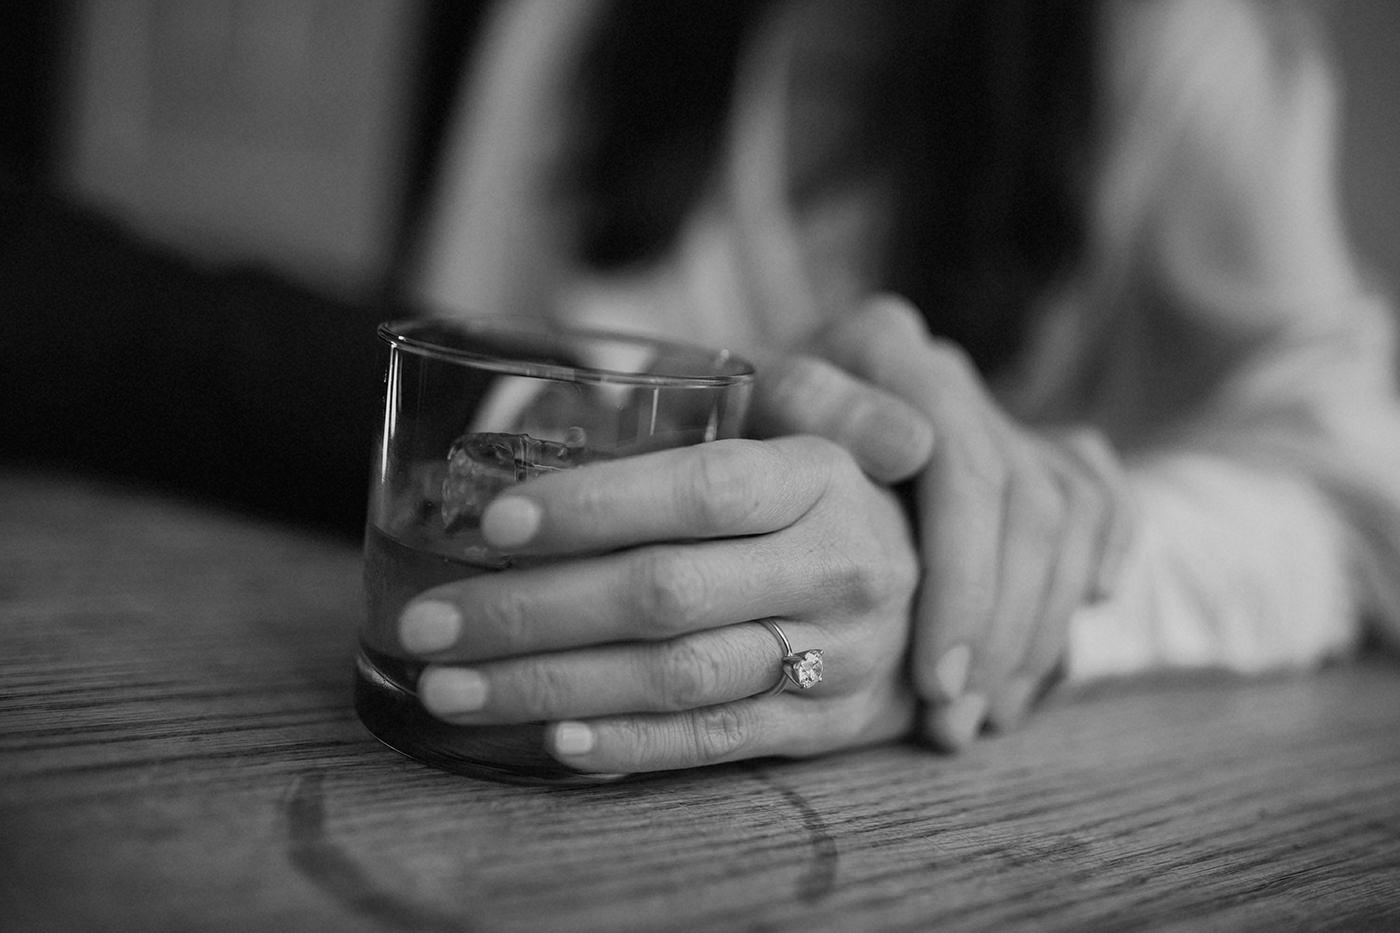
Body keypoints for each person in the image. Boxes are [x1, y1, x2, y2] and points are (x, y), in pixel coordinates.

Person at [378, 0, 1400, 776]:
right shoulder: (565, 22)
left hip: (971, 802)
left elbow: (1363, 495)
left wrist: (988, 576)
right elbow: (451, 388)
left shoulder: (1177, 44)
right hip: (526, 756)